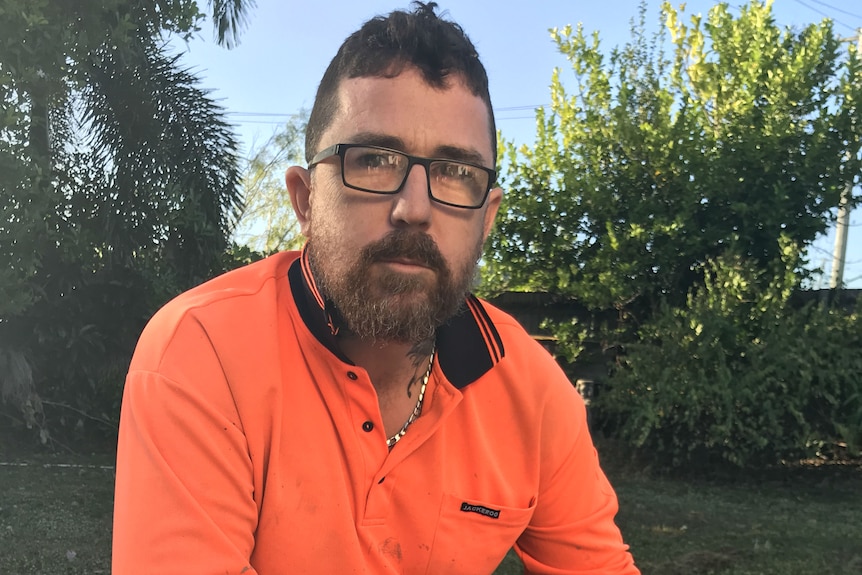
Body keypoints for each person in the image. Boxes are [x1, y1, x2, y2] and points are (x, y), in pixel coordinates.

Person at [112, 3, 640, 573]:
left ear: (485, 220)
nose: (414, 209)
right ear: (305, 200)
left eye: (457, 172)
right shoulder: (201, 351)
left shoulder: (532, 394)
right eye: (372, 161)